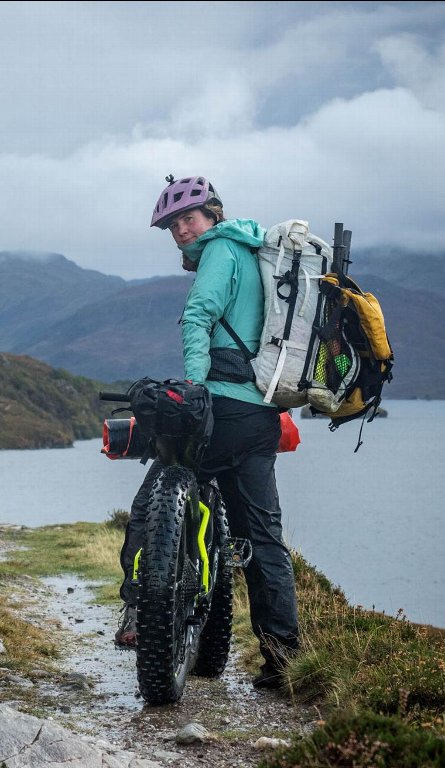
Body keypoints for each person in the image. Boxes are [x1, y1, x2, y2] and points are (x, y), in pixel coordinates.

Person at [113, 175, 300, 690]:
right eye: (173, 225)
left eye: (188, 219)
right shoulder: (253, 250)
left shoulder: (220, 251)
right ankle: (283, 661)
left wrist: (195, 386)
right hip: (261, 414)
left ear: (213, 216)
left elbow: (199, 316)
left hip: (222, 406)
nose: (179, 231)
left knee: (158, 490)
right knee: (264, 539)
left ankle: (139, 610)